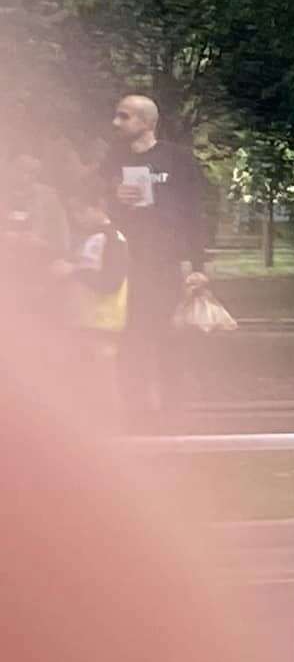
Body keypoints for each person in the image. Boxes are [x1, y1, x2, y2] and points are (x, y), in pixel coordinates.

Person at [100, 94, 208, 426]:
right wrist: (113, 198)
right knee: (130, 339)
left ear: (147, 122)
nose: (116, 123)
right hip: (124, 264)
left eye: (125, 116)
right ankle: (135, 413)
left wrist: (200, 267)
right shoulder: (112, 160)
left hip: (164, 265)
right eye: (117, 116)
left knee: (169, 340)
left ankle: (174, 412)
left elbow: (196, 214)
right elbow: (94, 207)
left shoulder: (178, 160)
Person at [54, 192, 129, 366]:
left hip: (103, 325)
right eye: (73, 212)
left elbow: (111, 282)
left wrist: (73, 271)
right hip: (85, 323)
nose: (77, 217)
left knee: (99, 384)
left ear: (98, 207)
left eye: (81, 210)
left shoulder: (112, 239)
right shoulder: (93, 238)